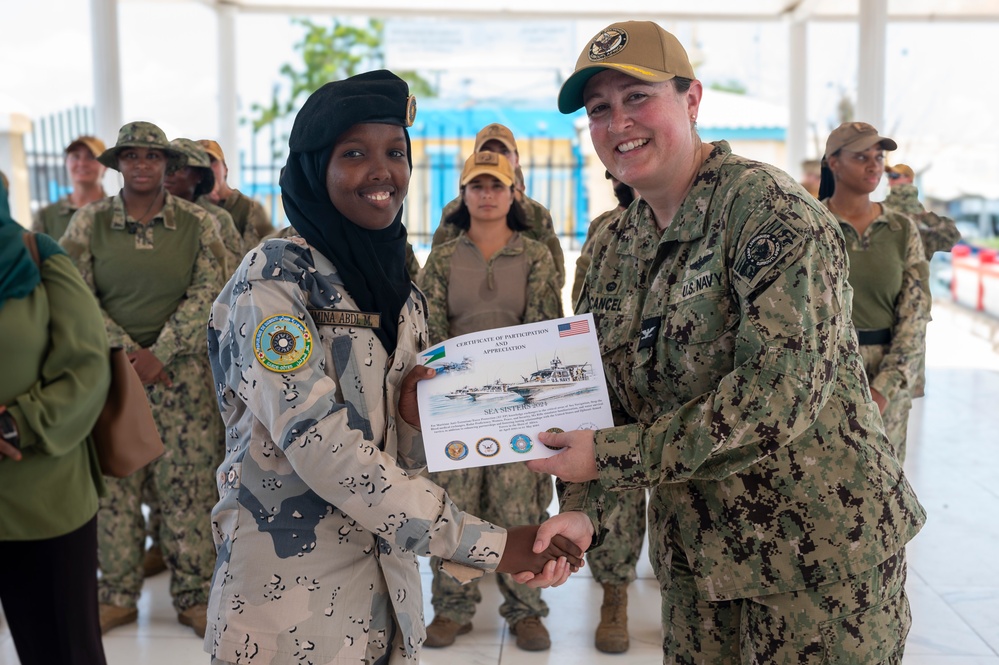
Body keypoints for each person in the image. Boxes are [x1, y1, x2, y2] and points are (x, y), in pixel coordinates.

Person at [519, 21, 927, 663]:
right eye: (600, 109)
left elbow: (777, 399)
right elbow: (602, 398)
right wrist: (584, 508)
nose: (618, 122)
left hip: (818, 564)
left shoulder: (771, 214)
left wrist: (610, 458)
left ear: (692, 99)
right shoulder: (608, 246)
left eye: (637, 97)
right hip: (698, 572)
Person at [204, 70, 581, 665]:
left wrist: (409, 416)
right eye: (354, 153)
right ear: (314, 166)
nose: (383, 171)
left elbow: (401, 456)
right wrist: (492, 545)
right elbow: (323, 449)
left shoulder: (401, 295)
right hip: (291, 613)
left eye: (395, 153)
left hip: (388, 601)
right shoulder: (274, 280)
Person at [60, 121, 227, 638]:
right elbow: (75, 295)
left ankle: (195, 595)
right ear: (117, 166)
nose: (140, 165)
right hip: (113, 380)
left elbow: (211, 292)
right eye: (130, 157)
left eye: (151, 157)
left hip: (183, 386)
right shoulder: (88, 224)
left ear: (167, 166)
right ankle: (116, 595)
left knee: (188, 493)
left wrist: (163, 352)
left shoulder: (200, 224)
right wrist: (130, 353)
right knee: (115, 491)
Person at [418, 150, 563, 651]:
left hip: (518, 406)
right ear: (462, 196)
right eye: (476, 186)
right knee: (454, 509)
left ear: (513, 194)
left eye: (496, 186)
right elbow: (429, 333)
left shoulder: (535, 256)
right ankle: (452, 609)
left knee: (518, 505)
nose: (486, 195)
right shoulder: (441, 259)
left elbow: (544, 332)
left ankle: (525, 610)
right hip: (456, 407)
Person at [1, 174, 111, 665]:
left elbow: (86, 367)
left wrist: (16, 423)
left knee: (62, 648)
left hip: (43, 492)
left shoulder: (37, 257)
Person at [818, 123, 931, 462]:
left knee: (885, 493)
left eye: (879, 157)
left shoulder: (900, 229)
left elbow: (916, 314)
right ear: (834, 163)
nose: (874, 165)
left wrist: (884, 388)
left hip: (889, 375)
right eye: (861, 156)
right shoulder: (812, 224)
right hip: (827, 376)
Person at [432, 123, 566, 288]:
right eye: (487, 151)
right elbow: (436, 274)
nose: (496, 158)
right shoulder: (454, 211)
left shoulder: (537, 214)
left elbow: (556, 277)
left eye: (504, 151)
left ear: (516, 159)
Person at [166, 137, 244, 275]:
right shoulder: (144, 213)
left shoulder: (218, 219)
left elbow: (231, 275)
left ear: (199, 175)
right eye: (167, 166)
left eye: (180, 167)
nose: (170, 173)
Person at [198, 138, 274, 252]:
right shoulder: (189, 207)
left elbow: (269, 251)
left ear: (225, 169)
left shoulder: (250, 208)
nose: (207, 168)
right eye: (201, 162)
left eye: (212, 161)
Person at [571, 170, 635, 304]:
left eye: (617, 179)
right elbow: (584, 269)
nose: (615, 183)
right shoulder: (602, 223)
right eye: (613, 179)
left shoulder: (660, 218)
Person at [32, 135, 107, 241]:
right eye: (75, 156)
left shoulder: (118, 212)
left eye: (91, 157)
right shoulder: (46, 217)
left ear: (105, 166)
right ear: (66, 162)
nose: (81, 163)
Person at [885, 163, 961, 259]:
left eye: (894, 176)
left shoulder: (922, 216)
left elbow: (950, 239)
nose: (890, 180)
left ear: (909, 179)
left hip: (915, 270)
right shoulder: (881, 210)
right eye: (889, 176)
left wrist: (927, 217)